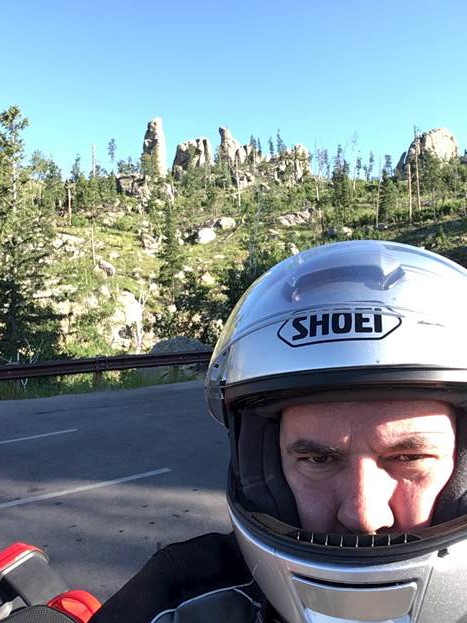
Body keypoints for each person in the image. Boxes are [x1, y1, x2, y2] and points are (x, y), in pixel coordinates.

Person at [91, 239, 467, 623]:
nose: (363, 516)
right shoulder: (179, 599)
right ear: (264, 464)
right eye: (317, 459)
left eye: (409, 457)